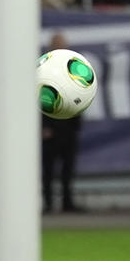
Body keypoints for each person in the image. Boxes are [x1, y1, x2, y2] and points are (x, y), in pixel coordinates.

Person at [42, 33, 84, 213]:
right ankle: (48, 204)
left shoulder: (73, 70)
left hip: (68, 127)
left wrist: (76, 123)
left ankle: (68, 202)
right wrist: (43, 126)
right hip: (50, 128)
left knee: (68, 168)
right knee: (48, 170)